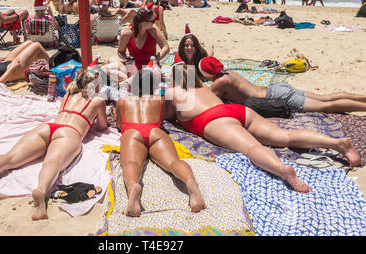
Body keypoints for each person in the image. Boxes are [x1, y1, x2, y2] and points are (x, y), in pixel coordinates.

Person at [0, 68, 108, 220]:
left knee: (9, 158)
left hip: (48, 128)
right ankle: (40, 192)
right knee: (53, 162)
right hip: (69, 132)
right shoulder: (97, 101)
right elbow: (102, 126)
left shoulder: (68, 95)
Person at [166, 65, 361, 193]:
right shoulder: (204, 89)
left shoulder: (173, 92)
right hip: (236, 110)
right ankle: (337, 143)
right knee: (284, 136)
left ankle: (283, 170)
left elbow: (164, 115)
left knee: (252, 148)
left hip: (214, 120)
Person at [116, 68, 206, 216]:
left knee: (131, 163)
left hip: (133, 132)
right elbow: (164, 118)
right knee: (173, 162)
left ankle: (134, 188)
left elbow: (120, 125)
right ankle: (190, 183)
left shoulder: (123, 101)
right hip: (155, 132)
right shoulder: (160, 100)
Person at [199, 56, 366, 114]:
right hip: (277, 88)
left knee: (326, 106)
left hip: (276, 96)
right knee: (326, 97)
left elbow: (207, 99)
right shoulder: (228, 73)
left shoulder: (220, 82)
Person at [102, 4, 170, 83]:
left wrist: (155, 60)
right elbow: (120, 52)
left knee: (144, 77)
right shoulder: (127, 33)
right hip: (133, 66)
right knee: (104, 69)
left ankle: (127, 82)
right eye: (152, 21)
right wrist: (127, 59)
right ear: (143, 22)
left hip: (150, 66)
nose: (154, 23)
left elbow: (166, 47)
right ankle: (128, 81)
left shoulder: (153, 30)